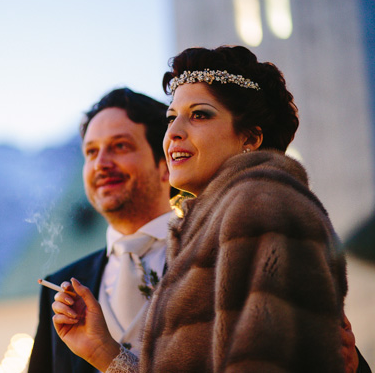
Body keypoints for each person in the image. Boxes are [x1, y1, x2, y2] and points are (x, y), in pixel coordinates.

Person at [49, 46, 371, 372]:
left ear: (251, 137)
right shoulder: (215, 225)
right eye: (171, 117)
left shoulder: (259, 211)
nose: (173, 133)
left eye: (199, 114)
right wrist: (104, 351)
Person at [28, 88, 175, 373]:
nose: (100, 164)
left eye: (120, 146)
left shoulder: (211, 260)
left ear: (165, 164)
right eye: (91, 152)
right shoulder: (59, 289)